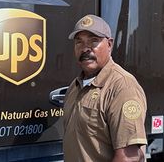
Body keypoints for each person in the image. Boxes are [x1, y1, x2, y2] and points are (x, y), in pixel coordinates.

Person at [63, 14, 147, 162]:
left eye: (93, 41)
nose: (85, 49)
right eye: (79, 42)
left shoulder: (123, 87)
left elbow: (129, 156)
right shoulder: (75, 86)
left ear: (109, 44)